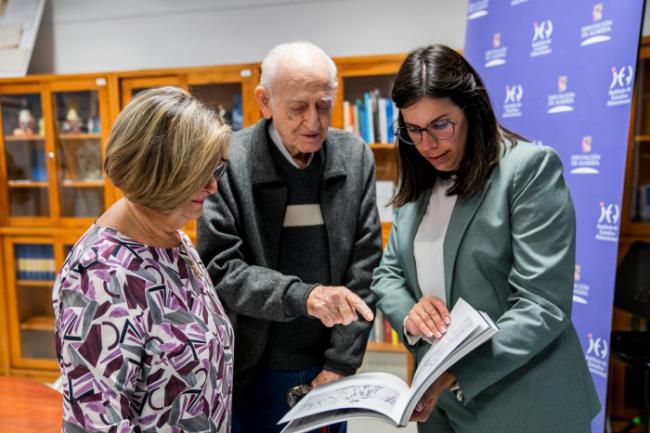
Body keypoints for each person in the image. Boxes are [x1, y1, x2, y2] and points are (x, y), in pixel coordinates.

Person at [370, 44, 600, 433]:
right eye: (413, 129)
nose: (427, 144)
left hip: (524, 404)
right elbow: (388, 275)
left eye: (441, 125)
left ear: (471, 110)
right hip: (441, 404)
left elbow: (542, 304)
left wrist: (458, 371)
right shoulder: (419, 184)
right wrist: (411, 313)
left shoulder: (527, 169)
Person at [197, 41, 382, 433]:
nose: (314, 122)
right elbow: (220, 268)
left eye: (324, 105)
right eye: (299, 107)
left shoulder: (354, 157)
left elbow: (364, 268)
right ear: (265, 101)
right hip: (252, 369)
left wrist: (340, 364)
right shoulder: (231, 159)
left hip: (327, 366)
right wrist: (305, 295)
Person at [52, 87, 233, 432]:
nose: (213, 187)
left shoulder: (173, 237)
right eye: (199, 176)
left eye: (215, 171)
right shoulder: (99, 276)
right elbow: (96, 425)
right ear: (158, 175)